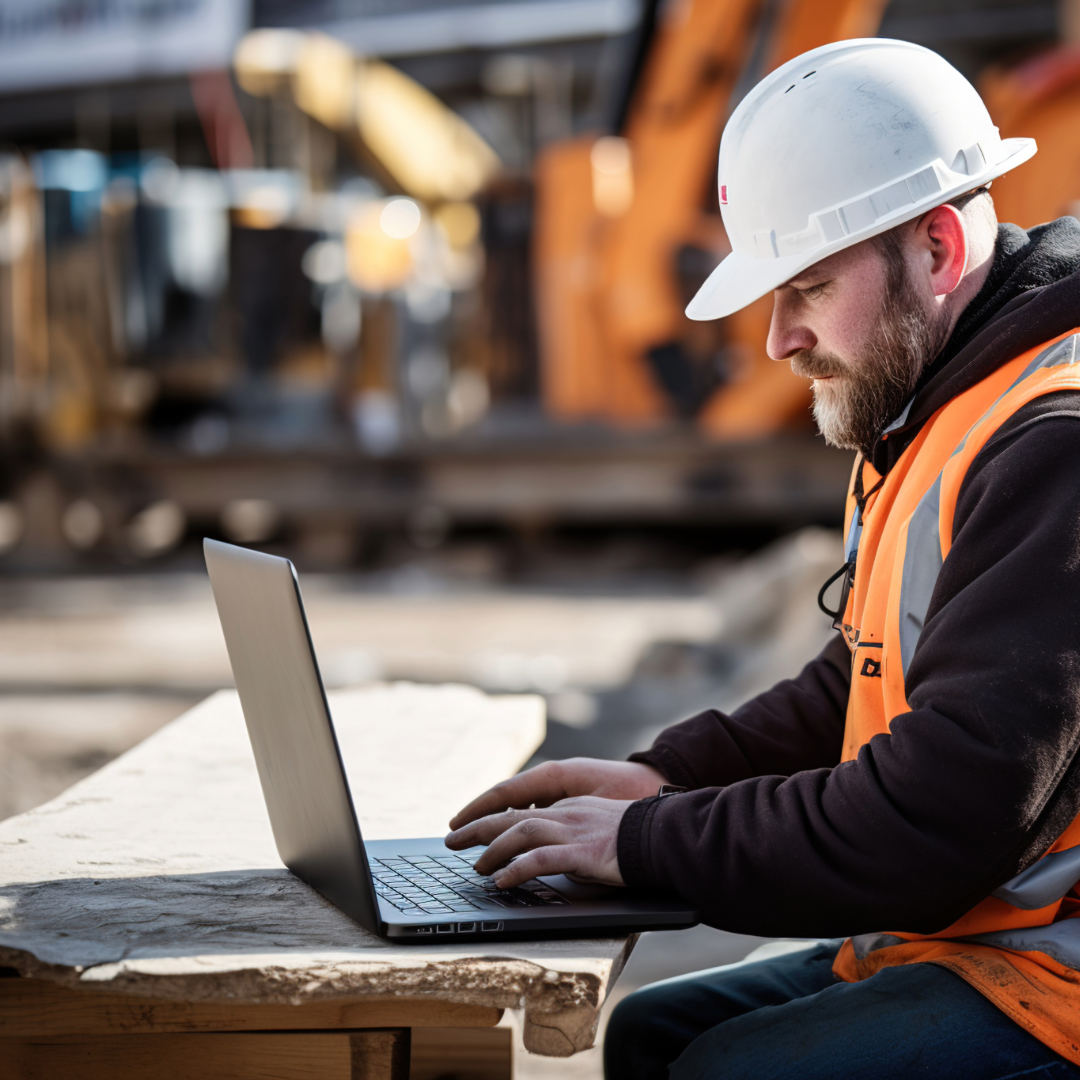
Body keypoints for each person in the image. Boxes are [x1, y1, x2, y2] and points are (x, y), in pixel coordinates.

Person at [446, 38, 1080, 1079]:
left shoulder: (1053, 440)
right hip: (985, 937)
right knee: (650, 1033)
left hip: (1056, 974)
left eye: (811, 288)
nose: (778, 339)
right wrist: (664, 777)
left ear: (936, 251)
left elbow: (941, 814)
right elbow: (868, 676)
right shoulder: (941, 404)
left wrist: (647, 844)